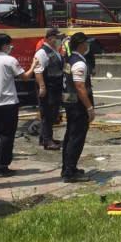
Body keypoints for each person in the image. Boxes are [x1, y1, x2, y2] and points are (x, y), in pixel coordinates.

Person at [0, 33, 34, 178]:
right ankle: (2, 167)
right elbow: (24, 77)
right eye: (9, 44)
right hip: (8, 103)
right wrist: (34, 65)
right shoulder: (10, 60)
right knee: (7, 135)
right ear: (4, 45)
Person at [61, 32, 95, 183]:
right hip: (78, 106)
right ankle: (70, 172)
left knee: (70, 136)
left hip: (70, 103)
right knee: (76, 138)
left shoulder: (70, 58)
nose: (88, 46)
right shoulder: (79, 63)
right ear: (81, 45)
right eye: (86, 43)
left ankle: (68, 167)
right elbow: (80, 87)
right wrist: (89, 108)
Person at [33, 28, 65, 150]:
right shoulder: (42, 52)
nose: (59, 40)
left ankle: (44, 138)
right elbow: (38, 71)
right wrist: (42, 86)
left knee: (52, 114)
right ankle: (48, 141)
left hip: (55, 87)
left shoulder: (54, 50)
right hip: (48, 88)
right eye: (57, 38)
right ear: (50, 38)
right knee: (47, 114)